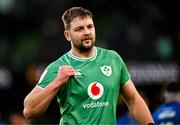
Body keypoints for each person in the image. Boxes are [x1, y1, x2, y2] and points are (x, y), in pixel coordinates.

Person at [23, 6, 154, 125]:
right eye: (79, 29)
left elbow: (133, 99)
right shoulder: (59, 66)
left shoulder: (113, 59)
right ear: (67, 35)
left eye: (89, 26)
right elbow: (29, 110)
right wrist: (57, 82)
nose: (86, 32)